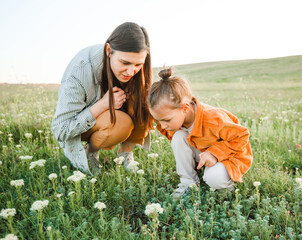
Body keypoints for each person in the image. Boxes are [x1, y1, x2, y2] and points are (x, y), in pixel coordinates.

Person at [52, 22, 153, 175]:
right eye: (125, 63)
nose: (132, 71)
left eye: (138, 64)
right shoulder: (80, 70)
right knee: (121, 123)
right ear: (108, 50)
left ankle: (125, 153)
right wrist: (103, 105)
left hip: (108, 115)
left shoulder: (136, 70)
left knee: (145, 100)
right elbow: (60, 130)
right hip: (83, 124)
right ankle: (89, 152)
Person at [148, 68, 253, 198]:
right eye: (158, 120)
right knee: (178, 137)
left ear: (185, 108)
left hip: (230, 155)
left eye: (166, 120)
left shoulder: (213, 118)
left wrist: (214, 154)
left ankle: (226, 187)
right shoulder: (176, 118)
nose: (162, 126)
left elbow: (241, 136)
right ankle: (189, 183)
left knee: (213, 178)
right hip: (205, 154)